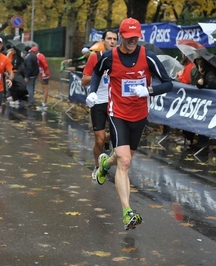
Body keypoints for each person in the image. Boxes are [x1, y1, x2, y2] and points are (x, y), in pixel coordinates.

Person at [87, 18, 173, 230]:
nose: (133, 40)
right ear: (122, 36)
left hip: (140, 114)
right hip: (118, 114)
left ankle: (105, 164)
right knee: (125, 162)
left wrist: (149, 90)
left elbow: (168, 83)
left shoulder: (148, 57)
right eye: (129, 37)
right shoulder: (109, 56)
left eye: (136, 37)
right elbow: (97, 72)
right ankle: (127, 212)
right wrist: (91, 91)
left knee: (123, 159)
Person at [82, 29, 118, 180]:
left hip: (115, 102)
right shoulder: (95, 57)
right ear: (103, 41)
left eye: (115, 39)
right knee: (99, 139)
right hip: (98, 101)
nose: (112, 41)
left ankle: (107, 145)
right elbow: (84, 80)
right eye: (109, 38)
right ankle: (98, 167)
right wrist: (99, 73)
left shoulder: (120, 59)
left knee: (116, 136)